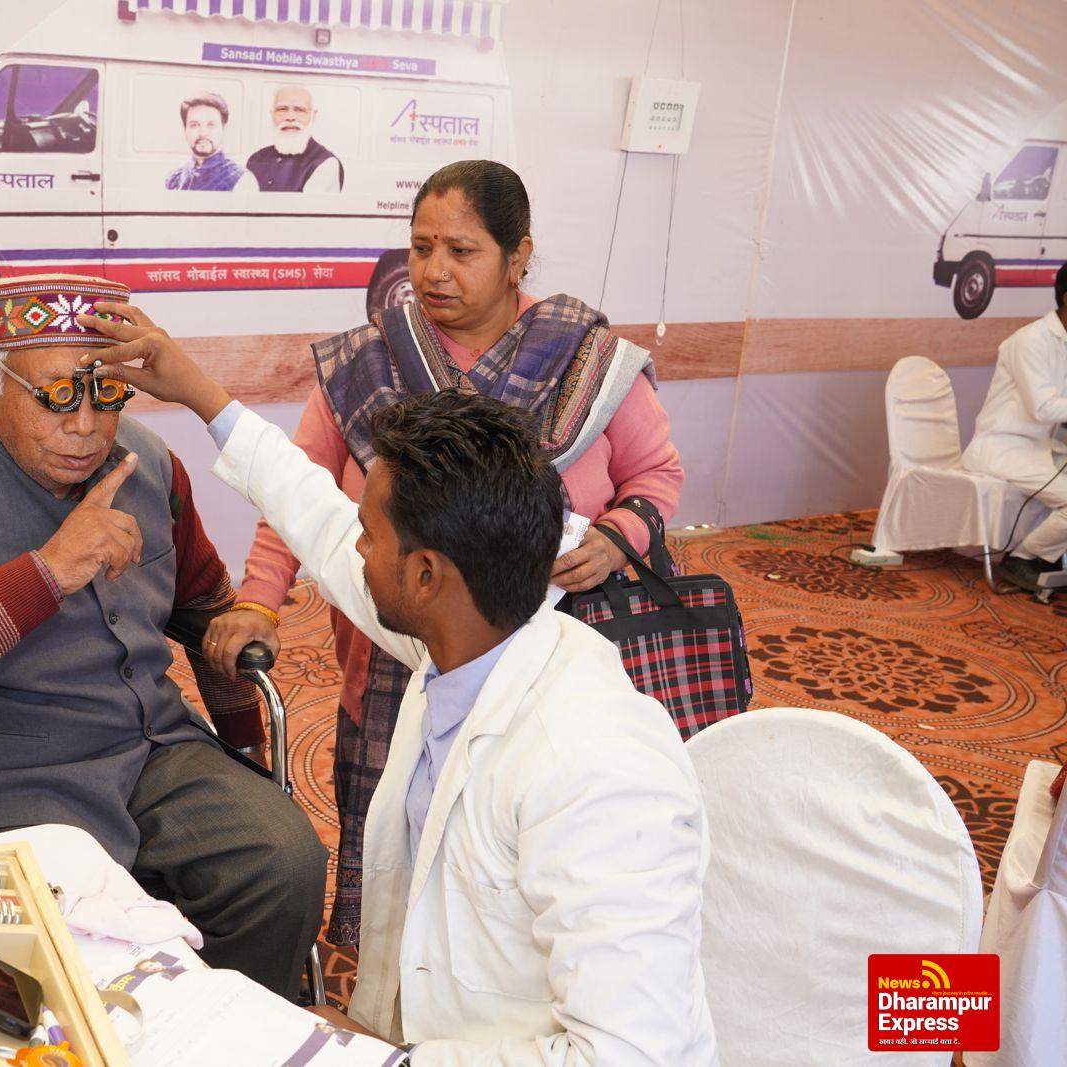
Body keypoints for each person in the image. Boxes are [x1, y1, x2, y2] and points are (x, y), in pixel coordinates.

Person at [73, 310, 717, 1063]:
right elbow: (316, 516)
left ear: (426, 575)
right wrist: (202, 396)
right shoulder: (465, 637)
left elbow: (634, 1055)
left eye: (370, 535)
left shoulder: (597, 769)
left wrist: (387, 1059)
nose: (353, 549)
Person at [204, 159, 684, 943]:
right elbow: (295, 490)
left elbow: (656, 475)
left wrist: (614, 536)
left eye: (462, 251)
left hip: (545, 656)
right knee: (396, 837)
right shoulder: (367, 365)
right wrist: (259, 598)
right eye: (421, 247)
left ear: (518, 256)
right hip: (391, 654)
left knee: (520, 837)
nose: (433, 272)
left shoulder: (587, 363)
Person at [0, 273, 326, 1000]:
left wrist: (244, 745)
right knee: (69, 946)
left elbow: (205, 604)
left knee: (283, 861)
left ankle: (222, 1029)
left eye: (106, 392)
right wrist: (46, 573)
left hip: (149, 750)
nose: (86, 425)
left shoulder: (150, 464)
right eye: (57, 395)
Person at [962, 263, 1067, 593]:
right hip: (1004, 448)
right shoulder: (1030, 341)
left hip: (1044, 450)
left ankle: (1046, 560)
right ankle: (1023, 558)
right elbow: (1043, 408)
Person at [244, 86, 344, 193]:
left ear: (313, 116)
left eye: (299, 110)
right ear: (272, 114)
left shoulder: (325, 163)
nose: (290, 117)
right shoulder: (256, 159)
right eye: (282, 109)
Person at [165, 93, 247, 191]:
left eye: (211, 125)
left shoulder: (241, 180)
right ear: (184, 129)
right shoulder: (174, 180)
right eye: (194, 125)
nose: (203, 133)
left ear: (224, 128)